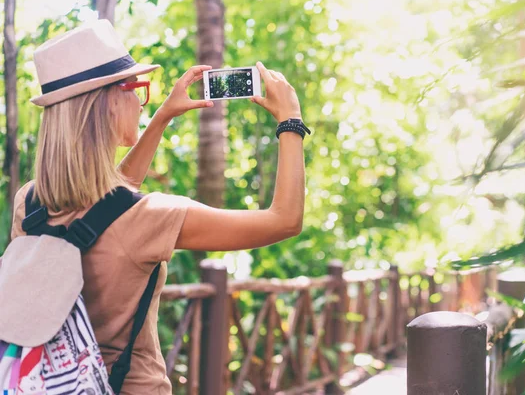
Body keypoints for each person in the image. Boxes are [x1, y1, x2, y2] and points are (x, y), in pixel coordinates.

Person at [9, 19, 307, 394]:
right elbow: (284, 220)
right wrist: (290, 122)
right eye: (136, 88)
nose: (140, 100)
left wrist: (163, 117)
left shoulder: (31, 203)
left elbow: (107, 207)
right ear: (109, 101)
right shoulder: (151, 217)